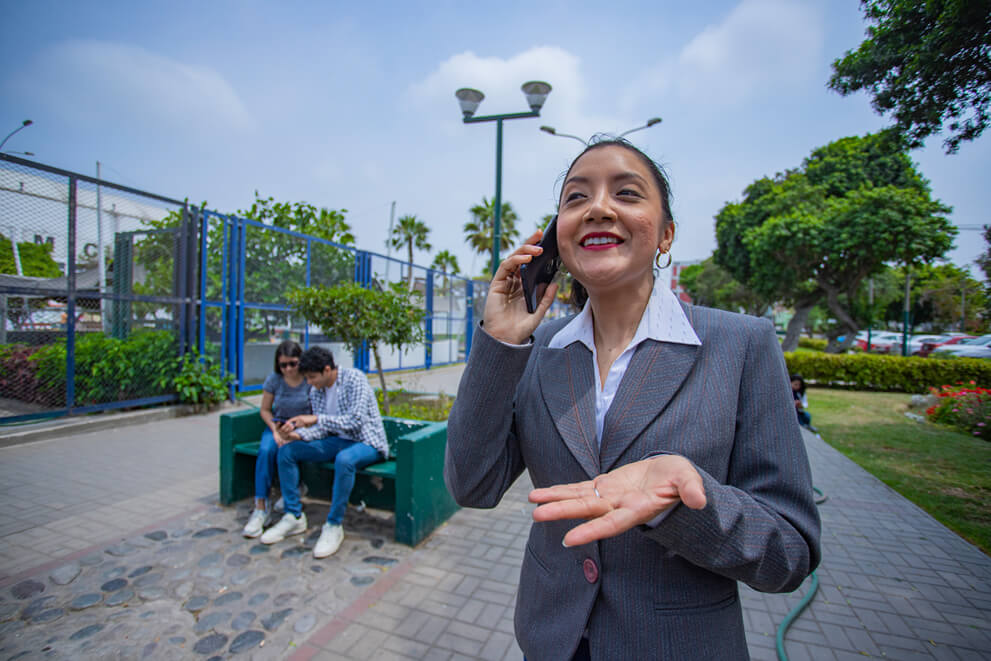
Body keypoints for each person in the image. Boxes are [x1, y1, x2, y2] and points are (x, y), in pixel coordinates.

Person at [444, 138, 821, 660]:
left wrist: (687, 505)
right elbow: (472, 485)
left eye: (626, 192)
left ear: (665, 234)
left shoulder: (742, 344)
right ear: (556, 241)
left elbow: (791, 551)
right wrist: (499, 342)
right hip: (552, 641)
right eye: (576, 198)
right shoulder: (538, 351)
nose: (598, 207)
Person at [260, 346, 389, 558]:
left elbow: (356, 422)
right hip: (335, 441)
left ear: (327, 370)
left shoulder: (354, 379)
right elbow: (322, 429)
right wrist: (296, 435)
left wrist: (316, 419)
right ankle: (293, 516)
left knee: (344, 460)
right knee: (288, 451)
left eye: (312, 377)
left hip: (367, 442)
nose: (309, 383)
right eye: (307, 378)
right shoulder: (316, 390)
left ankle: (333, 525)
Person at [242, 340, 311, 538]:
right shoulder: (274, 380)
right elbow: (265, 409)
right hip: (277, 425)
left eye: (293, 363)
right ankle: (261, 506)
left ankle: (294, 492)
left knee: (287, 450)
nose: (288, 369)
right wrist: (274, 429)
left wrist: (297, 429)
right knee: (266, 450)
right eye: (283, 365)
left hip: (301, 428)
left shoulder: (309, 379)